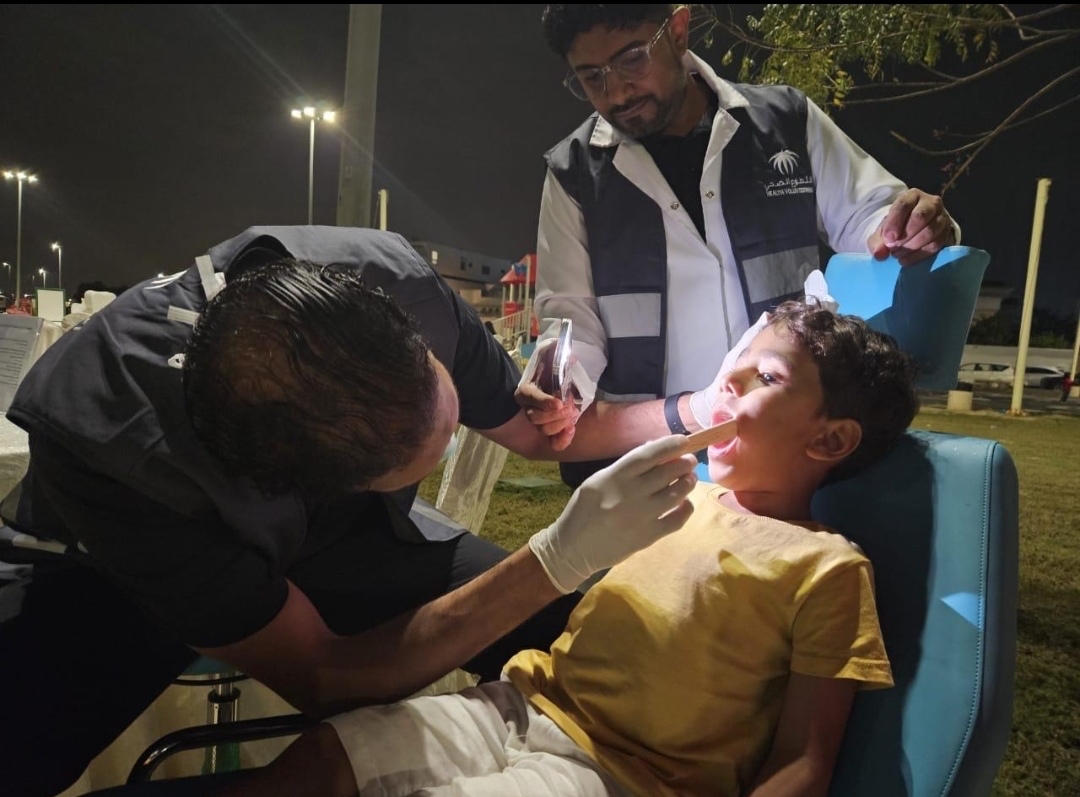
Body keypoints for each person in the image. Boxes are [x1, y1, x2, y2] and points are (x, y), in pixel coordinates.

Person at [0, 226, 699, 797]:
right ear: (309, 486)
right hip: (107, 571)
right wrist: (552, 558)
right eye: (414, 465)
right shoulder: (115, 450)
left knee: (589, 627)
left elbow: (536, 431)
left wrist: (695, 407)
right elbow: (324, 676)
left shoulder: (396, 279)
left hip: (347, 534)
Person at [215, 299, 919, 797]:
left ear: (830, 438)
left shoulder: (826, 567)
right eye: (737, 362)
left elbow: (805, 759)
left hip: (624, 775)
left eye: (766, 377)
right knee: (326, 753)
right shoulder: (672, 495)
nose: (726, 381)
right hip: (522, 705)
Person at [522, 4, 958, 488]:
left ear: (679, 30)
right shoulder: (574, 174)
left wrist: (911, 226)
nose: (617, 92)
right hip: (646, 465)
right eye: (591, 77)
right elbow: (570, 324)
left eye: (631, 59)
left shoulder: (785, 123)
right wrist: (556, 384)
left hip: (779, 457)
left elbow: (874, 218)